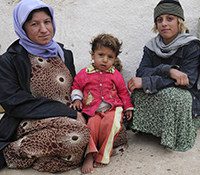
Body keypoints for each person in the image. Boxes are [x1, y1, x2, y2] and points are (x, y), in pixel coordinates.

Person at [0, 0, 87, 171]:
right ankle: (10, 152)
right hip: (29, 121)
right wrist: (66, 112)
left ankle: (41, 158)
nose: (44, 29)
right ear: (22, 28)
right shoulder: (10, 60)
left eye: (47, 22)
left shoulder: (64, 54)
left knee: (103, 129)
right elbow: (13, 102)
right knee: (78, 134)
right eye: (34, 24)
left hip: (68, 117)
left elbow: (75, 88)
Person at [128, 0, 200, 152]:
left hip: (186, 93)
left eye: (170, 18)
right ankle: (152, 129)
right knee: (138, 91)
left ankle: (175, 135)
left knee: (174, 96)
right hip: (165, 83)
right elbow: (141, 71)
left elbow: (187, 81)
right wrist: (169, 70)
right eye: (159, 20)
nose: (164, 24)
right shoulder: (151, 46)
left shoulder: (191, 45)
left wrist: (149, 81)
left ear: (179, 21)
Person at [71, 33, 134, 174]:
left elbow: (123, 92)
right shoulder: (84, 73)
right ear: (92, 55)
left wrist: (128, 107)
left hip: (113, 108)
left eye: (110, 57)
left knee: (112, 124)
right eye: (101, 55)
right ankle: (89, 155)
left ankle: (103, 155)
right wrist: (76, 99)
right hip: (93, 110)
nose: (105, 60)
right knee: (91, 126)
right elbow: (76, 86)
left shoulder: (115, 74)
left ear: (115, 59)